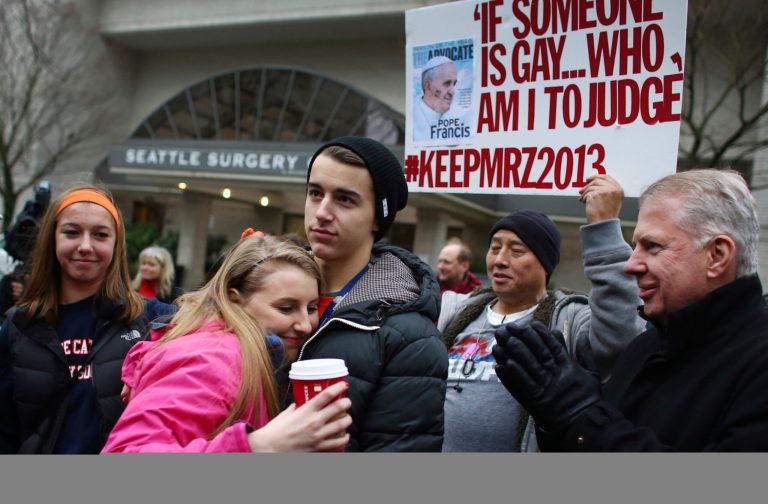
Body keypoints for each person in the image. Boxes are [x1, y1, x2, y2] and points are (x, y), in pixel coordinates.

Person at [493, 169, 768, 452]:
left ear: (717, 256)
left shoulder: (757, 361)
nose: (631, 264)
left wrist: (577, 413)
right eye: (636, 246)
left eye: (652, 246)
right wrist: (554, 417)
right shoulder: (644, 348)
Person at [437, 174, 645, 452]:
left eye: (516, 250)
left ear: (545, 264)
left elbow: (621, 340)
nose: (499, 260)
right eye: (495, 247)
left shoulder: (569, 321)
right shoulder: (453, 312)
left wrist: (603, 230)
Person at [102, 233, 351, 453]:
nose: (305, 325)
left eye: (311, 308)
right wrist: (257, 446)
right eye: (285, 308)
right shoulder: (212, 360)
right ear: (234, 300)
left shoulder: (245, 352)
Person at [0, 185, 173, 454]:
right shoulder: (18, 327)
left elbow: (220, 322)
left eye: (100, 235)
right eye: (71, 232)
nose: (85, 246)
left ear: (116, 245)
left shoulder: (149, 319)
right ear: (52, 238)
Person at [301, 136, 448, 452]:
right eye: (315, 193)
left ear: (377, 219)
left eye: (345, 200)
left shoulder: (410, 338)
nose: (322, 212)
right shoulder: (256, 290)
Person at [413, 56, 457, 142]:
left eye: (454, 84)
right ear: (428, 87)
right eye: (447, 83)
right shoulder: (413, 117)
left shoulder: (451, 118)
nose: (452, 92)